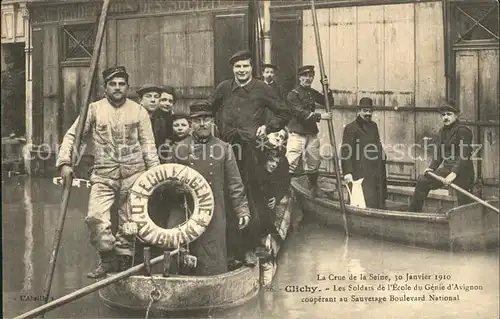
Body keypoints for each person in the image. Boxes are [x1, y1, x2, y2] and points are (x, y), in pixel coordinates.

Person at [56, 66, 160, 278]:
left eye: (122, 84)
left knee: (130, 222)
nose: (117, 88)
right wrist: (66, 163)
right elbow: (73, 136)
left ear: (127, 87)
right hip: (104, 174)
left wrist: (154, 176)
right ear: (105, 88)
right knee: (96, 217)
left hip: (134, 174)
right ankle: (107, 260)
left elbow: (149, 146)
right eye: (113, 84)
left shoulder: (139, 111)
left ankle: (124, 263)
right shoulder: (93, 109)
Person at [208, 50, 290, 265]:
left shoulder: (262, 88)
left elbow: (284, 112)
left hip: (252, 149)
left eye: (245, 66)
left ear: (251, 68)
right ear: (232, 69)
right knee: (227, 192)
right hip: (226, 149)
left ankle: (252, 245)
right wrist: (214, 128)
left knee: (252, 194)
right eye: (237, 67)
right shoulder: (224, 88)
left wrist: (268, 126)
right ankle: (226, 246)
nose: (241, 71)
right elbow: (210, 109)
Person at [166, 100, 251, 275]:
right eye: (197, 120)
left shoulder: (224, 148)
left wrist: (242, 210)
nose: (202, 124)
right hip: (185, 207)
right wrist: (175, 187)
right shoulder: (178, 149)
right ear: (191, 123)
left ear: (212, 121)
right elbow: (166, 182)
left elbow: (235, 183)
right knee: (176, 249)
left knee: (212, 259)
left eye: (206, 119)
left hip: (213, 209)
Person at [408, 103, 474, 212]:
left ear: (456, 116)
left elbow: (464, 155)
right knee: (423, 181)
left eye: (449, 114)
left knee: (464, 204)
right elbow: (439, 154)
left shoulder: (463, 131)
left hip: (463, 171)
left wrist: (454, 173)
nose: (446, 117)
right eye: (443, 115)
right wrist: (432, 168)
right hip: (447, 170)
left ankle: (466, 224)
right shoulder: (442, 132)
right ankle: (413, 213)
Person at [285, 65, 333, 197]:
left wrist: (326, 88)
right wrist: (320, 116)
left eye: (310, 76)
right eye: (305, 76)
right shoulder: (293, 95)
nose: (308, 78)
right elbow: (300, 112)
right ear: (300, 77)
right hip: (297, 133)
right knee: (291, 162)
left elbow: (329, 102)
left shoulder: (312, 93)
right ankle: (284, 190)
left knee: (313, 162)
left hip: (311, 133)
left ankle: (313, 187)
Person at [341, 97, 387, 209]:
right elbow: (346, 151)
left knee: (378, 200)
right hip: (360, 171)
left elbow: (377, 143)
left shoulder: (374, 126)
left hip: (376, 170)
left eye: (370, 111)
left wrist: (382, 153)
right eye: (365, 110)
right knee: (363, 202)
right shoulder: (351, 128)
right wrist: (348, 172)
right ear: (359, 111)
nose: (368, 113)